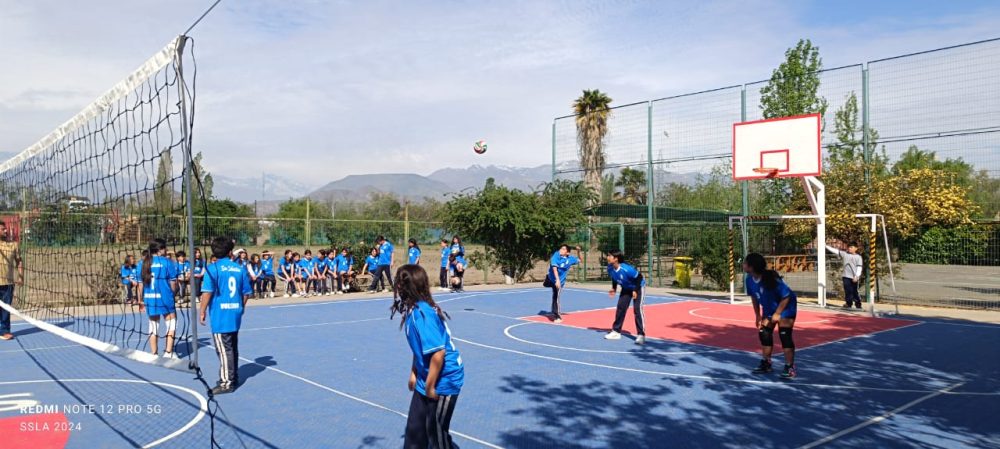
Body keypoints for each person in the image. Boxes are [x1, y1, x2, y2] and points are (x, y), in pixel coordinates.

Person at [389, 264, 464, 449]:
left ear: (405, 286)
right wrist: (414, 372)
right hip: (426, 377)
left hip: (444, 380)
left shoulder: (423, 315)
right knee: (415, 431)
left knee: (435, 433)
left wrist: (430, 386)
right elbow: (422, 350)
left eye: (399, 281)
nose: (397, 286)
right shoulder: (413, 310)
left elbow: (438, 353)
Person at [199, 236, 253, 395]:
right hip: (235, 312)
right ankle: (233, 376)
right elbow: (246, 293)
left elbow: (207, 293)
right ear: (230, 252)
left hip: (220, 314)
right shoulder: (239, 268)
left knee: (223, 349)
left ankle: (226, 382)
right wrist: (240, 307)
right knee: (232, 347)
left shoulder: (212, 268)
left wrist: (201, 311)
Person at [744, 252, 798, 379]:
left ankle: (790, 367)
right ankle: (767, 362)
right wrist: (757, 315)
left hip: (786, 306)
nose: (743, 264)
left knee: (784, 335)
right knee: (764, 332)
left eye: (745, 262)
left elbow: (786, 296)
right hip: (769, 308)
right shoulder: (749, 280)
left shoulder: (771, 279)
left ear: (751, 266)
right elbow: (754, 298)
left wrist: (778, 313)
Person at [138, 239, 179, 358]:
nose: (166, 250)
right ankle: (168, 352)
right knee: (171, 324)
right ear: (160, 249)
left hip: (150, 298)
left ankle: (154, 354)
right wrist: (173, 293)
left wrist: (140, 300)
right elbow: (173, 283)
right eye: (165, 248)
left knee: (153, 326)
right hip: (165, 298)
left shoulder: (143, 263)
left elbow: (140, 285)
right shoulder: (167, 262)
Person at [605, 250, 646, 345]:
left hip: (638, 287)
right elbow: (614, 277)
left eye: (610, 256)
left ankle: (641, 335)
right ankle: (616, 332)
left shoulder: (627, 269)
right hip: (626, 288)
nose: (608, 257)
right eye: (608, 256)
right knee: (620, 308)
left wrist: (635, 290)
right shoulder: (610, 268)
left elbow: (639, 277)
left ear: (616, 259)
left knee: (637, 309)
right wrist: (614, 288)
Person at [542, 245, 581, 323]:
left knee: (556, 297)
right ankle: (548, 280)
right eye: (561, 248)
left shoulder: (570, 259)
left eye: (563, 249)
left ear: (567, 252)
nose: (561, 250)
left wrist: (579, 251)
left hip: (560, 282)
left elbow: (579, 260)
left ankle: (556, 316)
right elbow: (554, 269)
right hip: (552, 278)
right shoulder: (556, 255)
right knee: (546, 284)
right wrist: (557, 280)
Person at [0, 222, 24, 341]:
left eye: (5, 229)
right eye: (2, 229)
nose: (5, 231)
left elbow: (19, 261)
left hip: (7, 283)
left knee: (6, 309)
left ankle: (4, 331)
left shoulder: (13, 245)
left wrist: (20, 276)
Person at [826, 241, 863, 309]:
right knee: (847, 290)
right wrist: (826, 246)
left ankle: (858, 304)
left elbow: (859, 267)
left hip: (854, 277)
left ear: (856, 248)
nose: (849, 248)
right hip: (846, 276)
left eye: (851, 247)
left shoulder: (858, 257)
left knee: (854, 291)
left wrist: (857, 276)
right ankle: (848, 304)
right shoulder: (845, 254)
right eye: (849, 247)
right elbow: (836, 251)